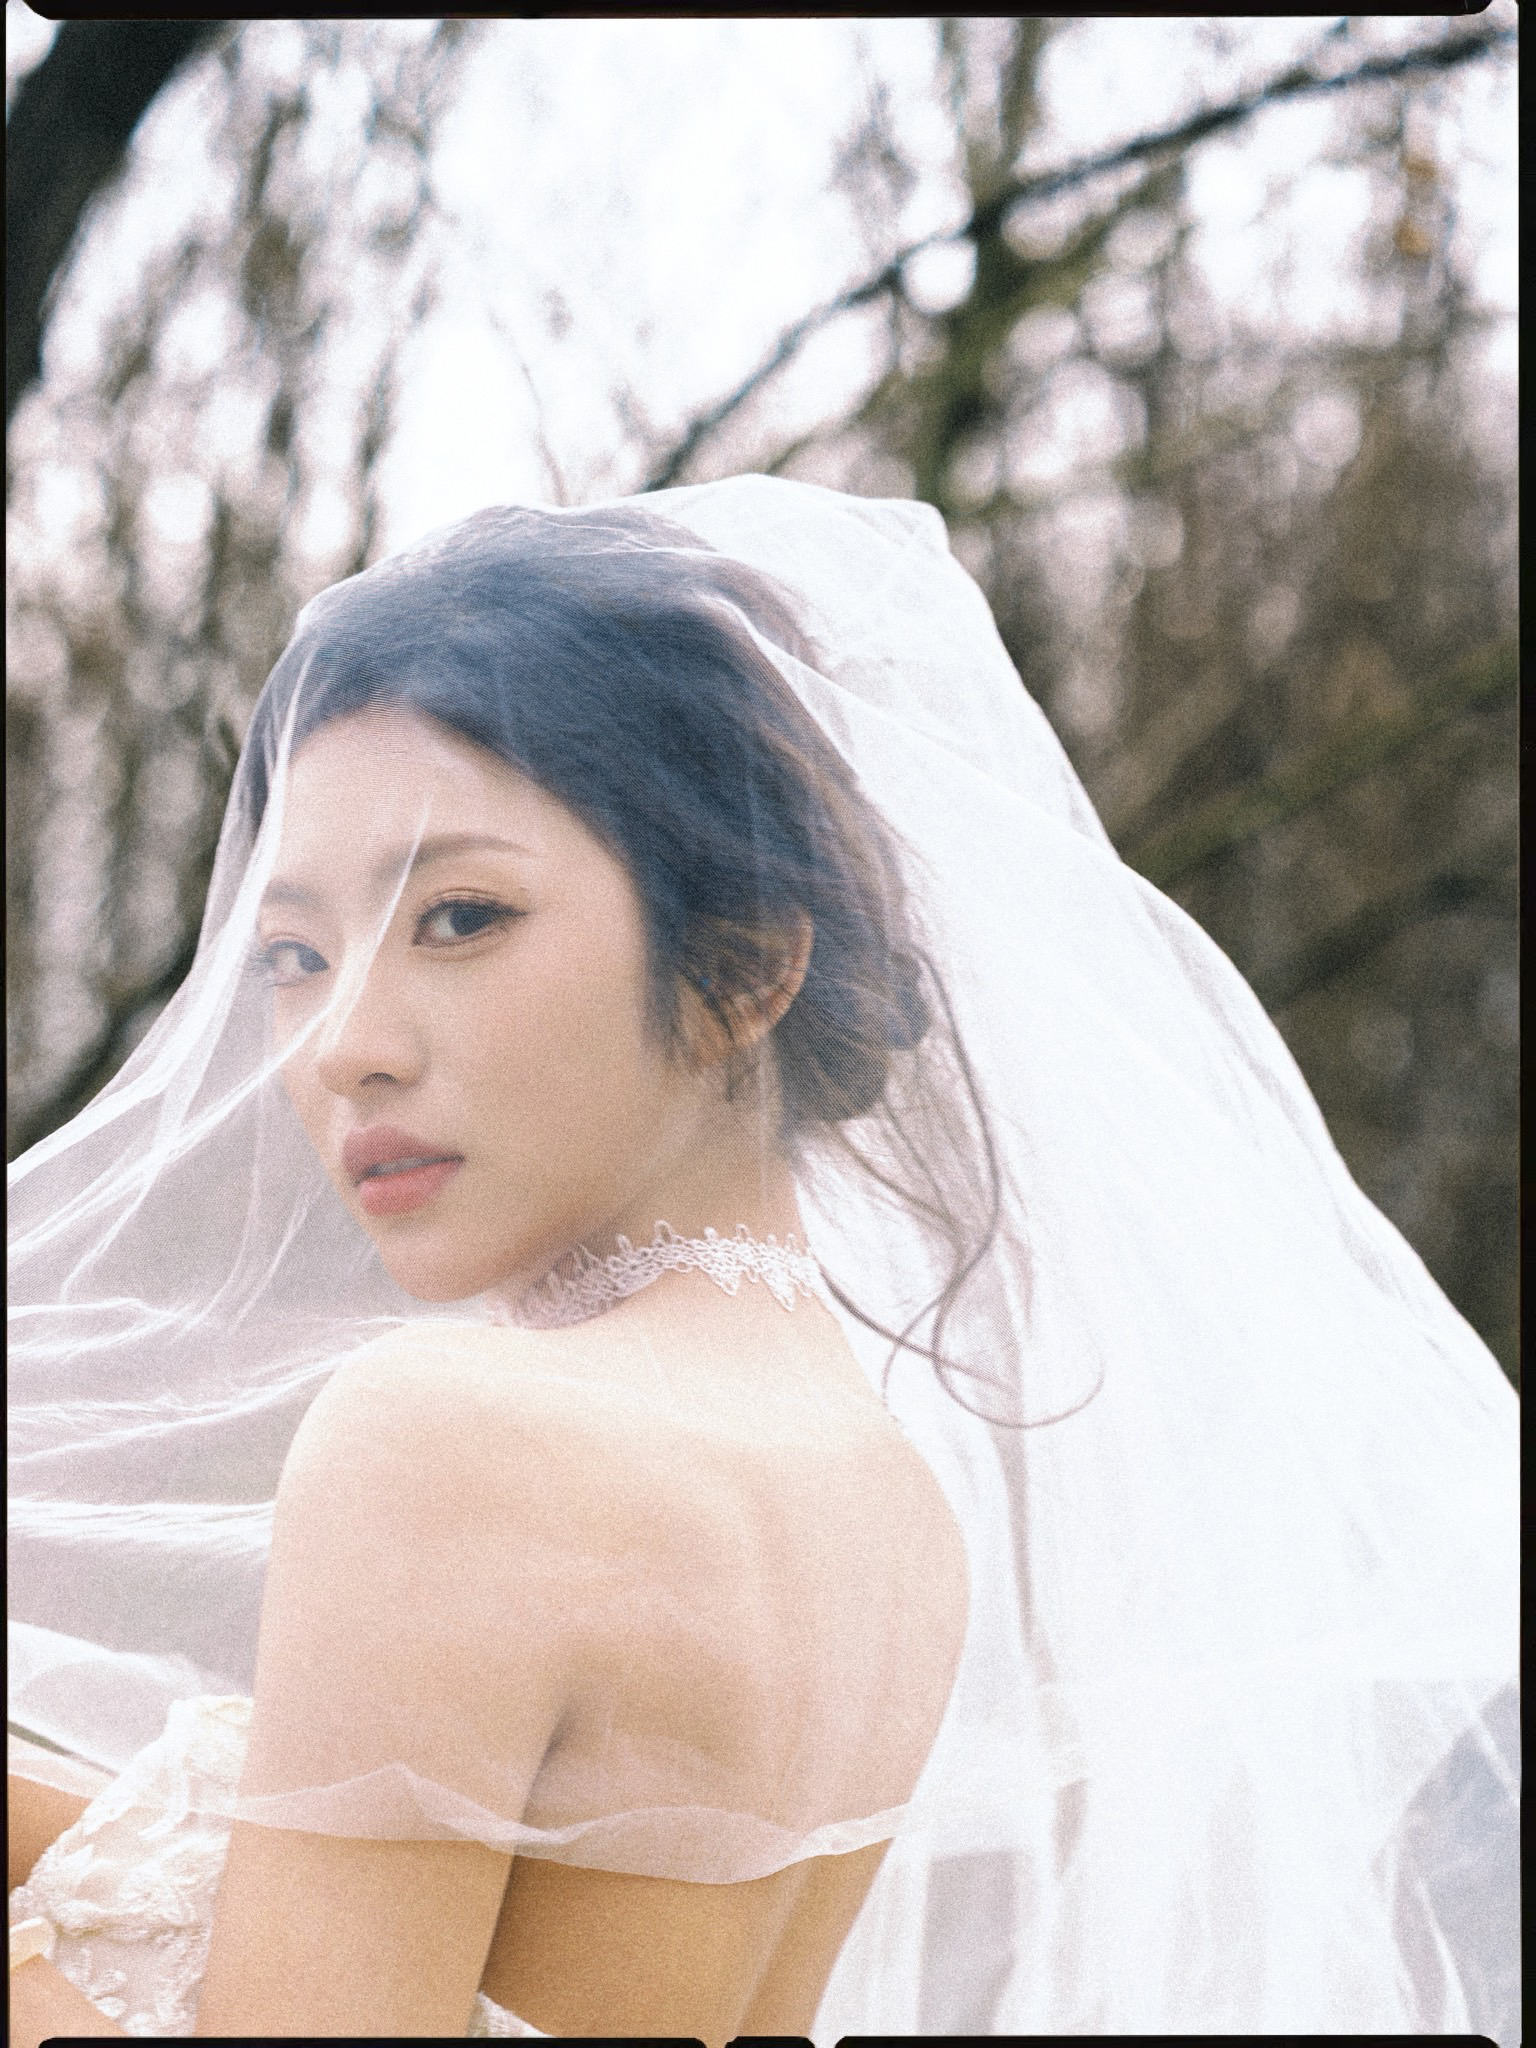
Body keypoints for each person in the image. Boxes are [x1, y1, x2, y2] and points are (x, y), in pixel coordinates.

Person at [8, 477, 1519, 2044]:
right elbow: (441, 1934)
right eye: (293, 954)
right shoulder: (887, 1497)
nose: (342, 1047)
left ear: (742, 966)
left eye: (458, 917)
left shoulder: (451, 1442)